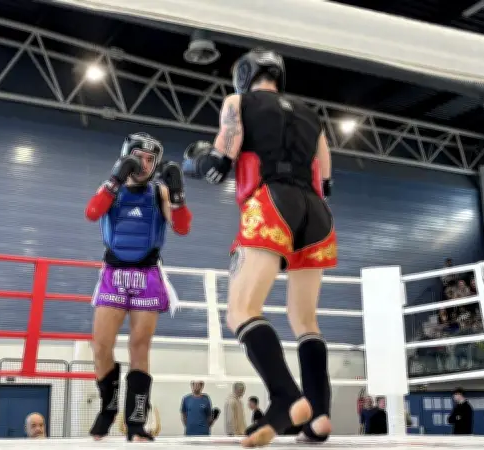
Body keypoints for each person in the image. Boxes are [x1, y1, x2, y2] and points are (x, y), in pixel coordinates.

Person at [183, 48, 336, 447]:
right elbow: (326, 179)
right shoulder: (312, 116)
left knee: (241, 310)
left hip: (271, 202)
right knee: (305, 319)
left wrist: (193, 162)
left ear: (245, 75)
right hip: (317, 214)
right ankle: (319, 415)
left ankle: (286, 397)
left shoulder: (237, 103)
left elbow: (218, 165)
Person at [84, 132, 193, 442]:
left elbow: (182, 228)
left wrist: (178, 195)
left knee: (139, 346)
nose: (144, 164)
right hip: (114, 273)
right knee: (101, 345)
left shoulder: (159, 191)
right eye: (139, 157)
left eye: (150, 159)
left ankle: (135, 422)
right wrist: (114, 179)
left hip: (147, 274)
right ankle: (108, 408)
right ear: (126, 156)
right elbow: (92, 213)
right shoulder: (111, 188)